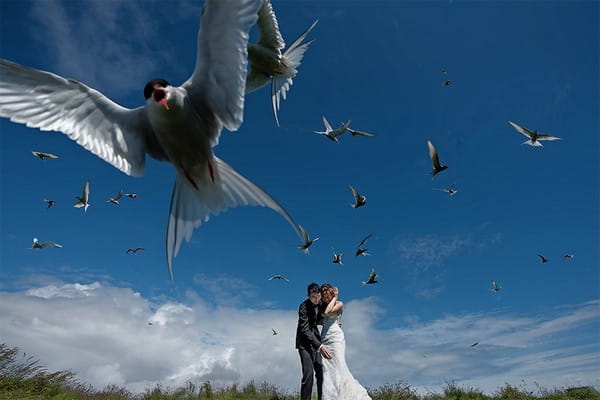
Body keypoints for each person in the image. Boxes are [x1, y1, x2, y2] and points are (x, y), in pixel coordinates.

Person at [319, 283, 371, 400]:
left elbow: (327, 313)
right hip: (325, 339)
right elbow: (322, 318)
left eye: (327, 295)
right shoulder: (324, 307)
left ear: (331, 294)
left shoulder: (339, 303)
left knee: (340, 366)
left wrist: (336, 298)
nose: (325, 298)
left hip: (336, 339)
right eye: (324, 296)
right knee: (328, 371)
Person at [296, 282, 332, 400]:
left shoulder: (321, 303)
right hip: (304, 344)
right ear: (308, 295)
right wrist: (320, 346)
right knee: (308, 375)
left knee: (321, 374)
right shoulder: (303, 307)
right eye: (313, 297)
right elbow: (305, 329)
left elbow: (323, 316)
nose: (316, 299)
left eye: (318, 297)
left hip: (316, 342)